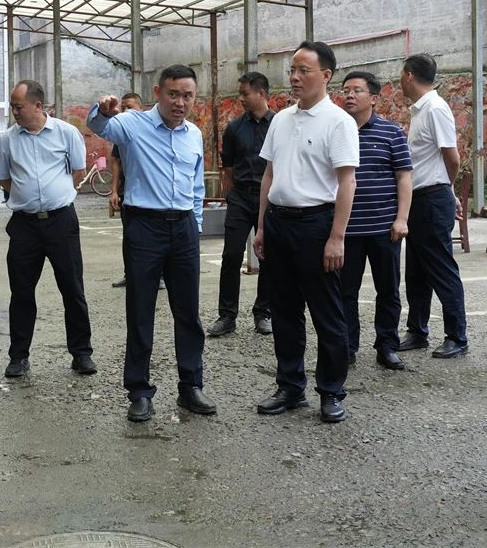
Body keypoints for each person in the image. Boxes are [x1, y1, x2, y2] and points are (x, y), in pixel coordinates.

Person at [89, 66, 215, 423]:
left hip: (184, 228)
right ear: (158, 92)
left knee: (188, 312)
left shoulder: (194, 134)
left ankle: (190, 386)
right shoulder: (133, 124)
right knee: (141, 310)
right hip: (144, 227)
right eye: (173, 94)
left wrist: (196, 225)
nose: (180, 103)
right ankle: (139, 392)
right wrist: (103, 109)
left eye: (187, 96)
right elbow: (99, 126)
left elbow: (196, 185)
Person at [252, 41, 358, 424]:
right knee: (284, 311)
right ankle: (290, 386)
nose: (295, 77)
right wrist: (262, 226)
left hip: (317, 226)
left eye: (303, 70)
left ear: (326, 75)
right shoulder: (281, 120)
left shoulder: (338, 122)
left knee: (327, 314)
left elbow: (347, 182)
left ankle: (331, 391)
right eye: (292, 70)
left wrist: (337, 237)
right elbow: (269, 175)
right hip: (279, 223)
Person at [0, 80, 95, 379]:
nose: (14, 112)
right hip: (24, 225)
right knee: (21, 292)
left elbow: (77, 171)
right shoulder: (8, 139)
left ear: (38, 106)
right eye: (13, 107)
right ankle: (18, 357)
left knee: (72, 289)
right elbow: (5, 179)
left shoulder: (67, 133)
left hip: (61, 221)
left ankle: (81, 354)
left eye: (18, 106)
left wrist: (53, 195)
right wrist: (28, 197)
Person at [338, 71, 412, 371]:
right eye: (346, 90)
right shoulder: (337, 131)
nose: (349, 95)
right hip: (347, 230)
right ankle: (347, 347)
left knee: (388, 290)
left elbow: (404, 177)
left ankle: (387, 345)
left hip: (384, 228)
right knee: (345, 292)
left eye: (357, 90)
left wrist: (401, 219)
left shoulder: (391, 133)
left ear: (373, 98)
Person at [396, 54, 468, 358]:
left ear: (409, 75)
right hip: (418, 199)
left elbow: (452, 158)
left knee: (440, 268)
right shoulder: (420, 110)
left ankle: (457, 336)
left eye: (401, 74)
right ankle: (417, 330)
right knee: (416, 271)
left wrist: (446, 190)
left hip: (432, 198)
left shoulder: (435, 108)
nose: (400, 80)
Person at [207, 71, 274, 338]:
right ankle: (227, 315)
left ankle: (263, 312)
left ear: (261, 93)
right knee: (231, 255)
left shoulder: (279, 125)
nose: (241, 98)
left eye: (245, 93)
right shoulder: (235, 128)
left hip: (270, 199)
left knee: (268, 257)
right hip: (241, 198)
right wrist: (230, 197)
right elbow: (228, 168)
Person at [108, 92, 164, 291]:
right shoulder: (123, 132)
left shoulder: (152, 131)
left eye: (130, 107)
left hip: (152, 194)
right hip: (128, 192)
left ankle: (159, 276)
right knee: (130, 236)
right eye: (123, 107)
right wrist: (114, 191)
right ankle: (130, 274)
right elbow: (115, 161)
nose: (125, 111)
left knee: (156, 237)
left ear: (141, 108)